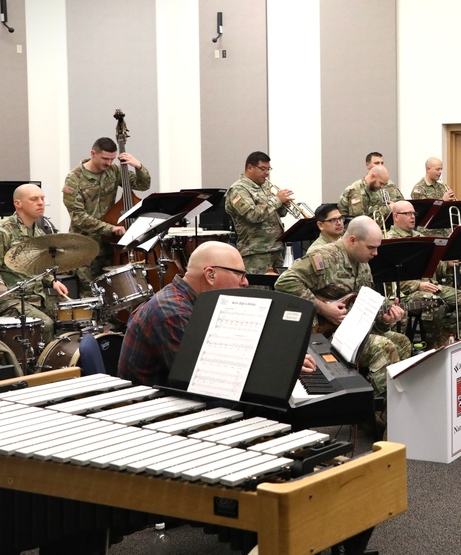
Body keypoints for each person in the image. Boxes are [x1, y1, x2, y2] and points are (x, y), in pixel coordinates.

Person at [118, 241, 317, 384]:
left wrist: (279, 356)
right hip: (156, 417)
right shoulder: (173, 313)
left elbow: (228, 349)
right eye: (240, 274)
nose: (245, 282)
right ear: (210, 274)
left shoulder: (193, 301)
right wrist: (282, 367)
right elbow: (207, 379)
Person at [274, 216, 411, 398]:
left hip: (348, 331)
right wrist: (323, 308)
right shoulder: (325, 256)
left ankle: (389, 405)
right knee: (383, 347)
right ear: (353, 240)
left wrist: (385, 319)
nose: (376, 253)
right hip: (322, 335)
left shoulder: (363, 265)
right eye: (371, 247)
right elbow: (284, 282)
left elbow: (364, 305)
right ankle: (376, 414)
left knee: (402, 342)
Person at [386, 200, 461, 348]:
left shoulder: (420, 237)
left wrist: (447, 265)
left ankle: (443, 334)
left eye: (413, 213)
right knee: (434, 302)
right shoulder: (390, 240)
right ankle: (431, 346)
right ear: (396, 216)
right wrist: (419, 285)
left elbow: (434, 266)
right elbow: (389, 277)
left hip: (432, 286)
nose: (413, 217)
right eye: (407, 214)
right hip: (405, 293)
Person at [62, 137, 151, 281]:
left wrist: (138, 166)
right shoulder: (74, 178)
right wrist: (110, 228)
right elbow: (78, 216)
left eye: (112, 159)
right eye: (105, 159)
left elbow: (142, 185)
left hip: (109, 245)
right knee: (89, 292)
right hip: (85, 245)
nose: (108, 163)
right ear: (93, 153)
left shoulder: (114, 171)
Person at [0, 184, 70, 342]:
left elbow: (38, 269)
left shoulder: (38, 233)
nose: (41, 203)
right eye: (34, 199)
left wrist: (52, 282)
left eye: (42, 199)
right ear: (18, 203)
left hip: (38, 297)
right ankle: (39, 366)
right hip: (12, 300)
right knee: (45, 324)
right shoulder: (4, 231)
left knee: (73, 315)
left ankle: (67, 361)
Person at [224, 151, 292, 275]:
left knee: (278, 291)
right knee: (259, 291)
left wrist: (283, 205)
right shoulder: (238, 190)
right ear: (250, 168)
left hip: (275, 248)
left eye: (268, 169)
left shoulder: (264, 186)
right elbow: (253, 215)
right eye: (263, 169)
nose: (267, 173)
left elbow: (275, 213)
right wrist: (277, 200)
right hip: (255, 252)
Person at [338, 164, 396, 229]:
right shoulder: (356, 190)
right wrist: (388, 209)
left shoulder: (374, 189)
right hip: (355, 231)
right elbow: (359, 219)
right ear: (373, 176)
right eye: (381, 183)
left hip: (372, 228)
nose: (382, 187)